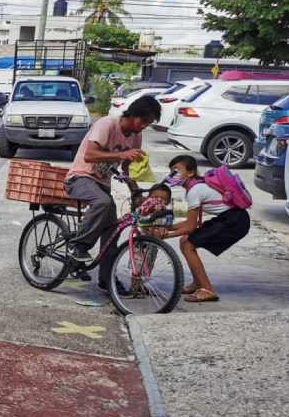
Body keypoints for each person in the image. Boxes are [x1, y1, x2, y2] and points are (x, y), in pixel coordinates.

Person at [63, 95, 161, 291]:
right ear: (133, 115)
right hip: (80, 178)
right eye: (143, 121)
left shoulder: (136, 136)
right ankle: (78, 246)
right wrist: (121, 154)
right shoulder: (107, 124)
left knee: (112, 231)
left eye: (148, 123)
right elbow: (90, 155)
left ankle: (106, 278)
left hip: (102, 184)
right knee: (103, 202)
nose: (143, 126)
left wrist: (135, 191)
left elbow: (126, 167)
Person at [161, 154, 251, 303]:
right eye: (172, 171)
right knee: (185, 240)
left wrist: (165, 235)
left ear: (190, 172)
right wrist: (168, 227)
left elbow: (190, 227)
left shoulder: (195, 191)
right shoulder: (196, 186)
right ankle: (198, 283)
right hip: (233, 218)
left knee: (188, 243)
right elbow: (192, 223)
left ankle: (207, 289)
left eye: (177, 170)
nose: (173, 175)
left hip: (233, 221)